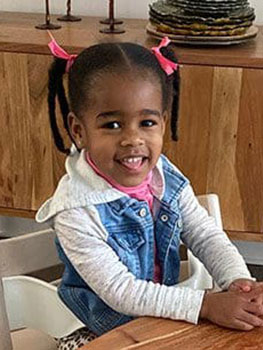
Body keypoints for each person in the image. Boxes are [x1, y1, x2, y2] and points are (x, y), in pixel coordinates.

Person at [36, 35, 263, 349]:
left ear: (163, 123)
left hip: (163, 320)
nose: (133, 138)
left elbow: (205, 235)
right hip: (102, 331)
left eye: (146, 122)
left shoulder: (164, 176)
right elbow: (121, 291)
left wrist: (239, 283)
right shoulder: (76, 209)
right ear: (79, 130)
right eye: (112, 125)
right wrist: (206, 305)